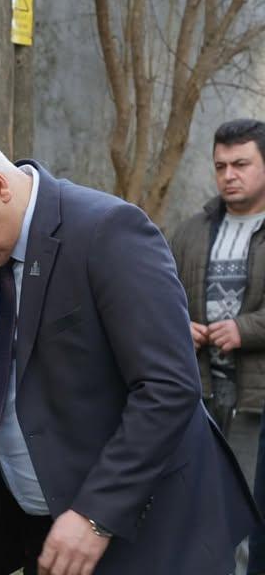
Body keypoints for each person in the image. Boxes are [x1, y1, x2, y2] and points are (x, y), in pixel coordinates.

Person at [0, 122, 259, 575]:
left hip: (147, 529)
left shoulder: (108, 231)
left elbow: (168, 386)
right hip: (40, 532)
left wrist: (96, 514)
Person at [170, 118, 265, 575]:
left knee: (249, 507)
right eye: (221, 165)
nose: (229, 174)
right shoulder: (192, 231)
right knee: (203, 507)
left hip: (256, 402)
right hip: (201, 395)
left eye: (241, 164)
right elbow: (159, 296)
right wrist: (177, 325)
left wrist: (244, 329)